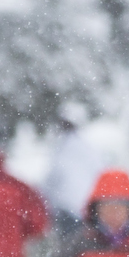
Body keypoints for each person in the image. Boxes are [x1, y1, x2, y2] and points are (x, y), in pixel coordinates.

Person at [41, 105, 109, 246]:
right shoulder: (89, 148)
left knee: (70, 251)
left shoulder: (62, 149)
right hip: (88, 211)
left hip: (68, 212)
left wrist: (46, 203)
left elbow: (51, 181)